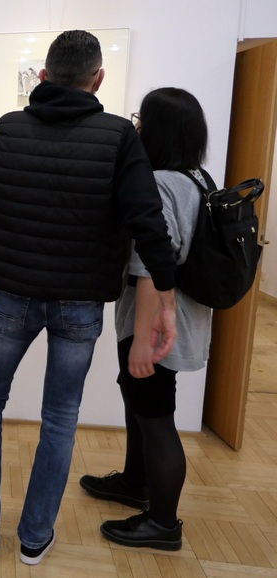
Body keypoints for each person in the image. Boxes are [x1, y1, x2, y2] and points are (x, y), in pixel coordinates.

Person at [0, 30, 179, 564]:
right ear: (97, 78)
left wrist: (3, 261)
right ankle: (35, 536)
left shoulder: (8, 128)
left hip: (13, 294)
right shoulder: (118, 136)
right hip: (80, 303)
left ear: (44, 75)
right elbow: (148, 225)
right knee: (60, 416)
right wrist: (167, 301)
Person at [79, 88, 213, 552]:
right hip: (183, 317)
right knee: (141, 404)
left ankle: (163, 523)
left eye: (141, 119)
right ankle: (134, 482)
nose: (136, 126)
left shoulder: (158, 182)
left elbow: (154, 264)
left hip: (155, 324)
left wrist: (142, 339)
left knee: (156, 417)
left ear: (157, 130)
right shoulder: (198, 178)